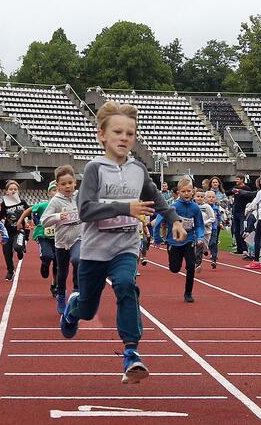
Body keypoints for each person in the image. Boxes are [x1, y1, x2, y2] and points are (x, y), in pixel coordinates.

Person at [60, 101, 185, 385]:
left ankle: (131, 353)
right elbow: (85, 210)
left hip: (126, 245)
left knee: (127, 286)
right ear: (101, 134)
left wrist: (174, 219)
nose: (124, 138)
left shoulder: (138, 169)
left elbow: (156, 197)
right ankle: (74, 308)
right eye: (118, 131)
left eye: (130, 133)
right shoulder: (94, 169)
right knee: (89, 309)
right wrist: (124, 207)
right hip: (95, 249)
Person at [42, 166, 83, 314]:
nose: (67, 186)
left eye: (70, 183)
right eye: (63, 184)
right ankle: (61, 296)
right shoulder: (55, 201)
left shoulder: (81, 196)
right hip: (61, 242)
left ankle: (76, 293)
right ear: (58, 186)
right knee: (62, 272)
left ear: (75, 183)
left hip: (79, 238)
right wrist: (59, 217)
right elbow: (44, 221)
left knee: (78, 260)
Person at [17, 182, 58, 296]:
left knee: (57, 263)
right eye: (54, 190)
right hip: (43, 235)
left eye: (59, 190)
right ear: (49, 193)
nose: (56, 193)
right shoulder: (43, 205)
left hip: (59, 237)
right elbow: (29, 210)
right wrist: (20, 221)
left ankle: (55, 285)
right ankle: (45, 264)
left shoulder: (65, 206)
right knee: (47, 255)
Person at [167, 178, 204, 303]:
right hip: (175, 241)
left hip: (189, 240)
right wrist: (156, 236)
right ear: (179, 192)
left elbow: (199, 225)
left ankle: (188, 293)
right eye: (183, 191)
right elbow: (162, 219)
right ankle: (172, 257)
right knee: (175, 269)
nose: (186, 193)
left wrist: (199, 237)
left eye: (189, 191)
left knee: (190, 266)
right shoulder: (174, 206)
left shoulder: (195, 208)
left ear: (193, 191)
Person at [0, 180, 29, 280]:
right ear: (7, 191)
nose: (13, 191)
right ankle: (10, 271)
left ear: (18, 191)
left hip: (19, 231)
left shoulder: (22, 202)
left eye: (15, 189)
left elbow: (30, 211)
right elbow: (0, 217)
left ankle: (20, 250)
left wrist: (31, 221)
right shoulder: (4, 204)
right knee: (7, 253)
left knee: (18, 247)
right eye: (11, 189)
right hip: (7, 232)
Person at [194, 189, 215, 273]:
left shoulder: (207, 207)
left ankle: (205, 250)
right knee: (197, 246)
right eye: (198, 196)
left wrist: (204, 223)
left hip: (206, 231)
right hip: (196, 231)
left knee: (203, 247)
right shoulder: (193, 206)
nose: (199, 198)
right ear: (194, 197)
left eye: (201, 197)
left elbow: (212, 218)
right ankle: (197, 264)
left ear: (204, 198)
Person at [205, 190, 222, 269]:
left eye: (213, 197)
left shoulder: (216, 208)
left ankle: (214, 260)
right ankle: (204, 250)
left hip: (214, 228)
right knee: (203, 243)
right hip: (205, 228)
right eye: (209, 197)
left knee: (213, 243)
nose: (211, 199)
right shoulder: (203, 207)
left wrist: (220, 223)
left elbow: (219, 217)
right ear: (205, 198)